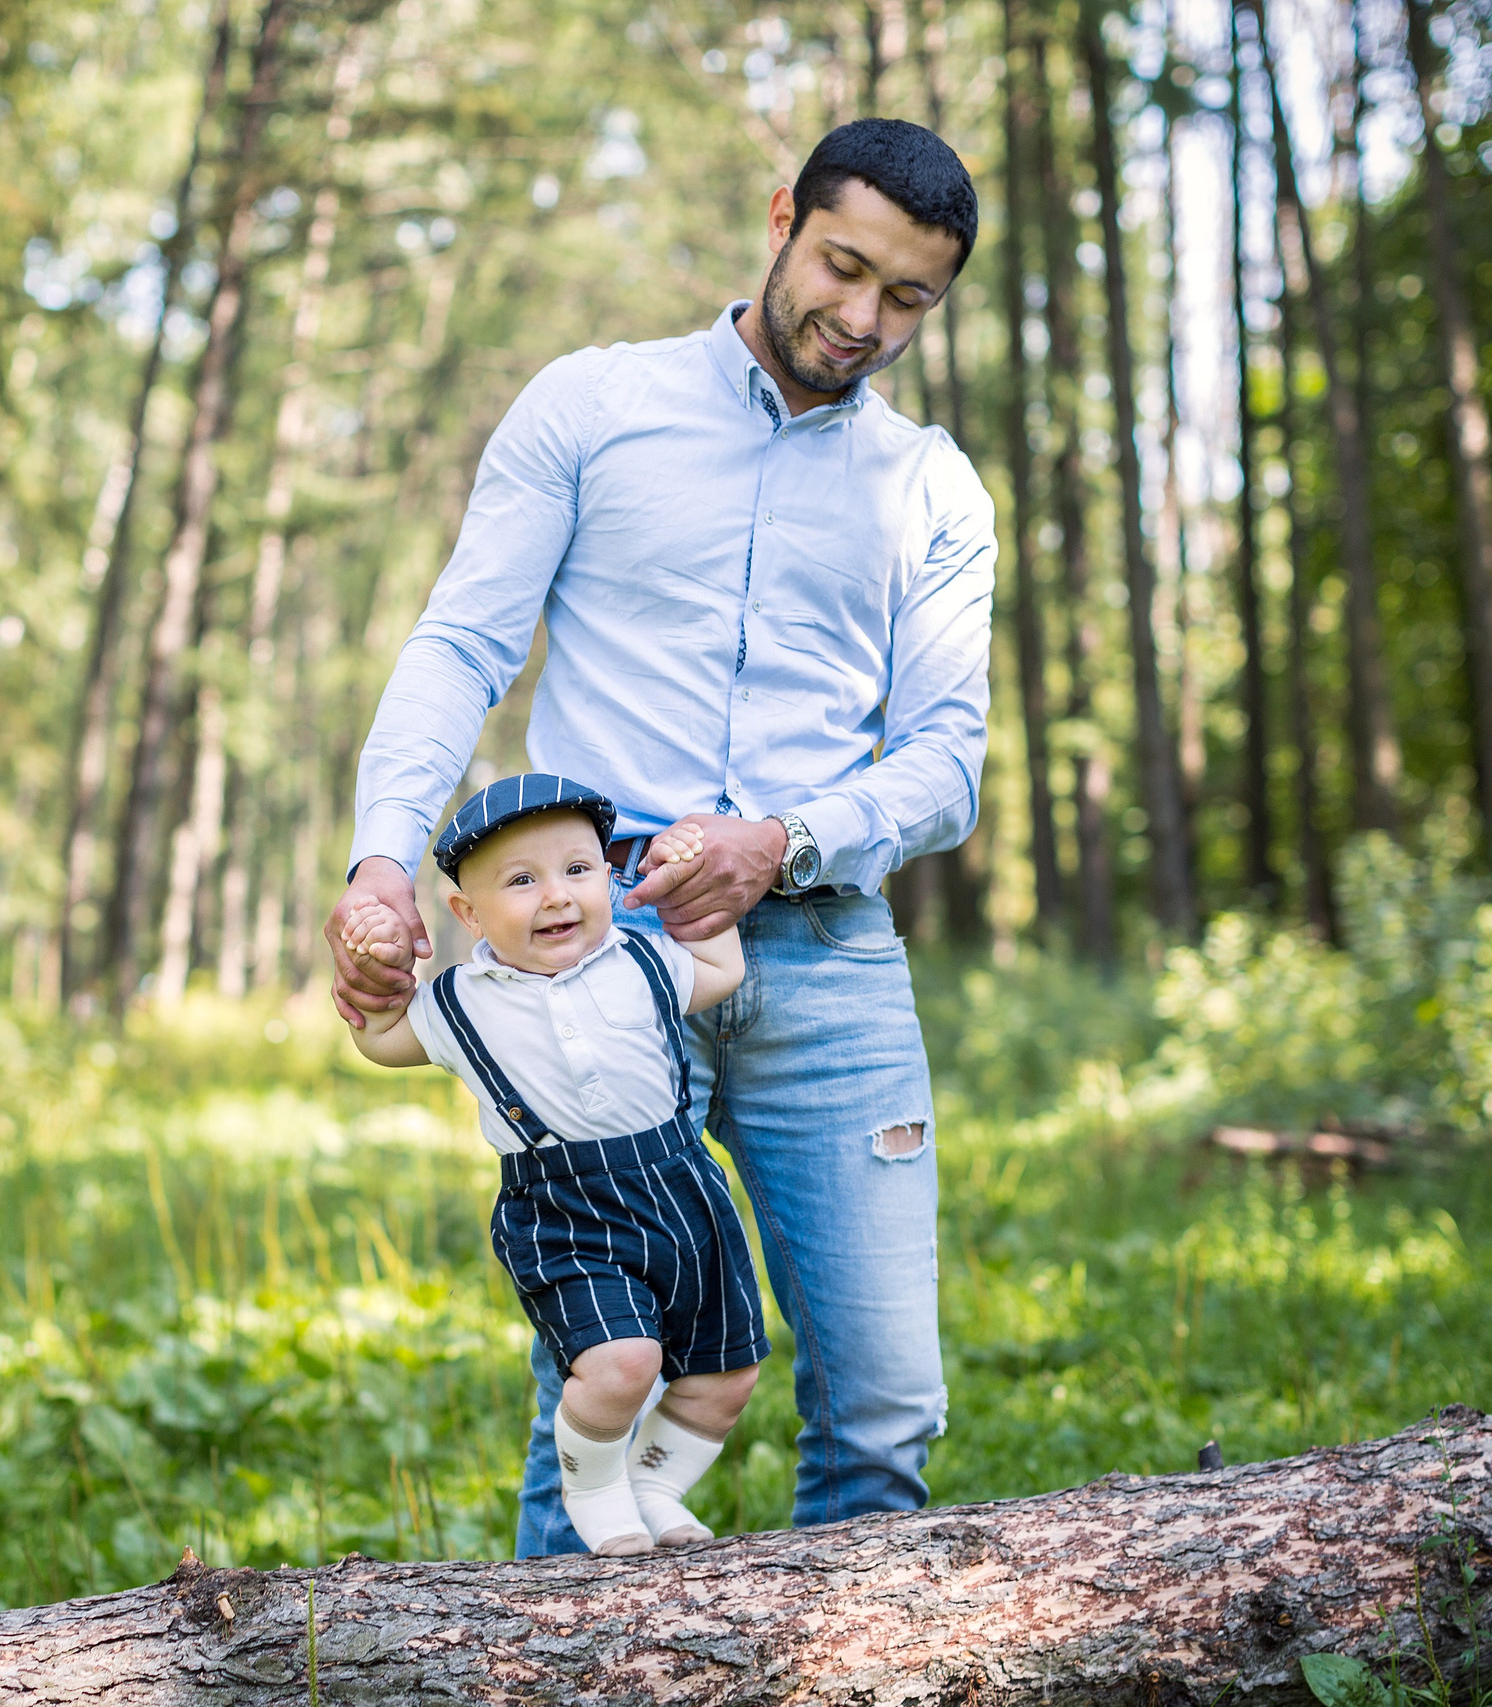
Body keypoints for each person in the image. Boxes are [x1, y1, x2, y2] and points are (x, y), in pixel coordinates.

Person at [330, 117, 995, 1555]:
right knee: (602, 1384)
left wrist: (787, 836)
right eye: (843, 266)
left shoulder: (933, 487)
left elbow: (948, 761)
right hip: (599, 957)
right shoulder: (593, 404)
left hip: (830, 955)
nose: (862, 319)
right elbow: (464, 642)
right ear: (779, 216)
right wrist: (386, 849)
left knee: (884, 1402)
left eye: (909, 298)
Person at [340, 773, 764, 1556]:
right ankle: (596, 1487)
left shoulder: (643, 959)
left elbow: (720, 969)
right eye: (522, 880)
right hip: (566, 1207)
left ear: (609, 875)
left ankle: (656, 1485)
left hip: (680, 1183)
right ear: (467, 913)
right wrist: (373, 967)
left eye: (577, 869)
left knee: (727, 1373)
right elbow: (381, 1038)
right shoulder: (460, 1000)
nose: (557, 897)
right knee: (621, 1362)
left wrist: (703, 890)